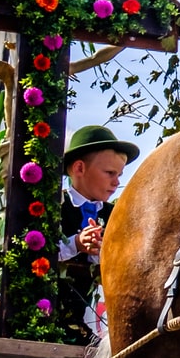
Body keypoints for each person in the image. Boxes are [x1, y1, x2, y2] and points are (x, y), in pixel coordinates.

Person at [56, 124, 137, 340]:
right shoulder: (55, 206)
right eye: (110, 173)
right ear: (79, 169)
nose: (117, 182)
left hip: (91, 320)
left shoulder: (117, 214)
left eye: (119, 174)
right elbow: (36, 253)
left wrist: (105, 252)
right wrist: (76, 243)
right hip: (49, 314)